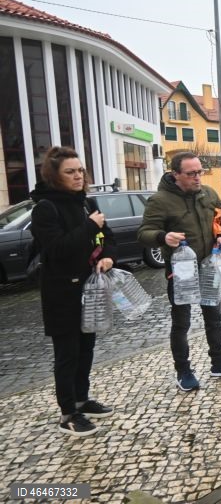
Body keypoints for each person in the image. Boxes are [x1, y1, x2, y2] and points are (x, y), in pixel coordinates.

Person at [138, 151, 221, 391]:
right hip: (181, 271)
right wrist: (163, 236)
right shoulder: (160, 200)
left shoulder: (208, 194)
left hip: (210, 266)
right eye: (191, 174)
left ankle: (219, 363)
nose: (197, 177)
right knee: (181, 323)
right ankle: (183, 371)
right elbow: (144, 233)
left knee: (214, 317)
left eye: (200, 172)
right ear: (176, 174)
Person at [30, 146, 117, 437]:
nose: (78, 176)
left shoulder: (86, 202)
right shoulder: (45, 208)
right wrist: (90, 226)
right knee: (67, 355)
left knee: (86, 349)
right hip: (62, 296)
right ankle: (68, 413)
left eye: (80, 170)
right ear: (55, 176)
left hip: (90, 292)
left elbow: (108, 239)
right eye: (71, 171)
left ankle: (82, 399)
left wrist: (108, 257)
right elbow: (57, 250)